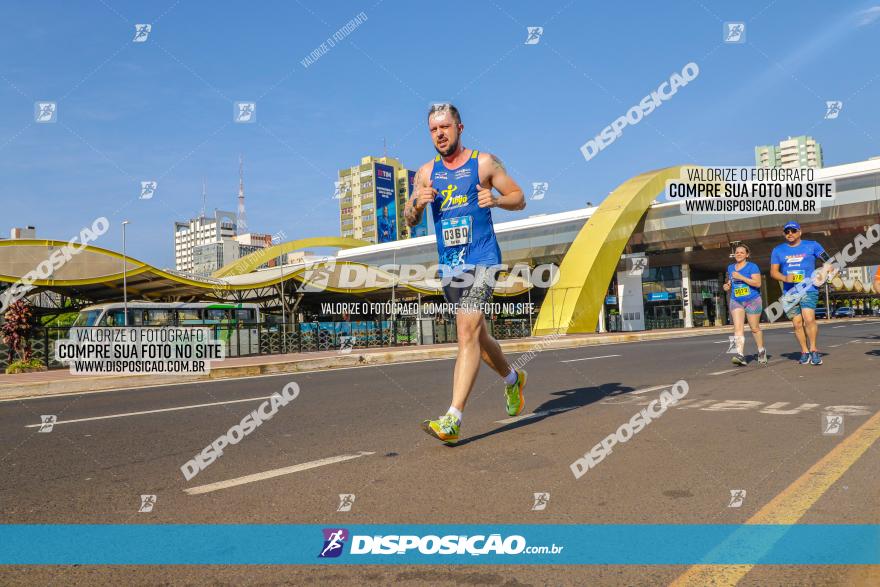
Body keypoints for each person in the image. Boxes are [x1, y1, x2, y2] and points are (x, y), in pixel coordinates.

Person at [404, 103, 527, 444]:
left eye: (445, 126)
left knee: (465, 329)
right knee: (478, 338)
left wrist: (496, 201)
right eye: (433, 129)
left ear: (459, 127)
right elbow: (408, 219)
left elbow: (520, 198)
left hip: (484, 258)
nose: (440, 133)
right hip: (451, 266)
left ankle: (453, 418)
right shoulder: (426, 173)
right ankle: (513, 379)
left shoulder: (484, 162)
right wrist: (417, 204)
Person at [770, 221, 833, 365]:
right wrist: (785, 277)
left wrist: (826, 270)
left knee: (809, 318)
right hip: (789, 291)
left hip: (809, 288)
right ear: (784, 234)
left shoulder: (813, 245)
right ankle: (804, 351)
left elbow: (828, 260)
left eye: (793, 230)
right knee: (797, 324)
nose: (790, 233)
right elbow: (773, 272)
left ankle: (814, 350)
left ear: (800, 232)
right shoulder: (778, 250)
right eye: (787, 231)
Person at [723, 243, 767, 366]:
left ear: (747, 255)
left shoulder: (753, 267)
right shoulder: (730, 267)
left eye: (742, 252)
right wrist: (727, 286)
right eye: (737, 252)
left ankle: (761, 351)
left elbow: (758, 284)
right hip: (736, 300)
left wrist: (741, 277)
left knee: (754, 328)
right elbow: (730, 282)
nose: (739, 254)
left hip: (752, 300)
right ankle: (740, 355)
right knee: (737, 328)